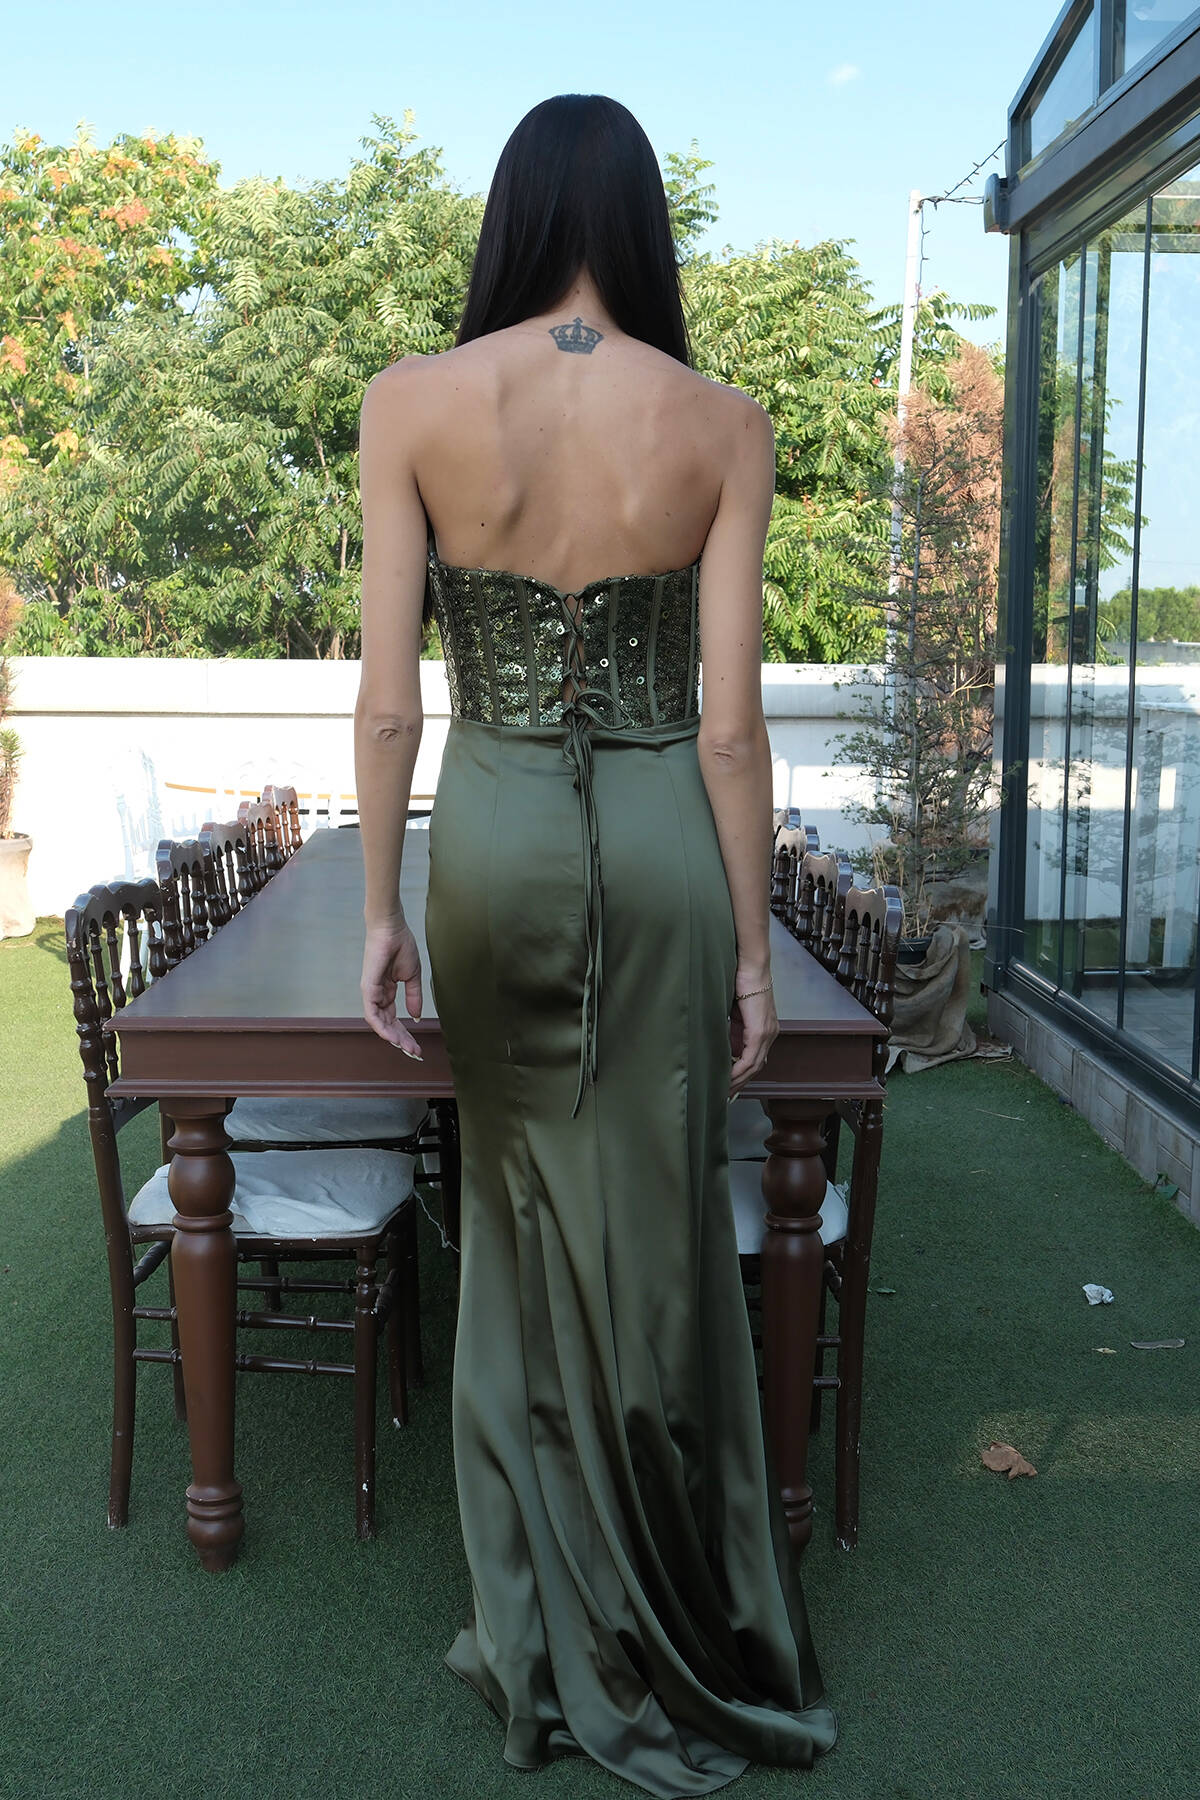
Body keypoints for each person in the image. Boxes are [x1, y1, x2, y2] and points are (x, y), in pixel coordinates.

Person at [353, 92, 837, 1798]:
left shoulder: (413, 403)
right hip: (662, 849)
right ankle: (678, 1618)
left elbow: (391, 704)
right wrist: (756, 954)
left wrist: (379, 912)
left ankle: (535, 1637)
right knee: (660, 1231)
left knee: (507, 1218)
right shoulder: (721, 422)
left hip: (489, 836)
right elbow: (730, 729)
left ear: (510, 217)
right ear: (640, 224)